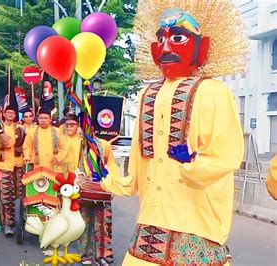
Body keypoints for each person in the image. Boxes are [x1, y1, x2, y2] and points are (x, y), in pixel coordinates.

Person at [101, 3, 248, 265]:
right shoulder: (148, 94)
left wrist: (191, 164)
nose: (167, 47)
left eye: (178, 38)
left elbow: (227, 155)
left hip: (196, 222)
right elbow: (137, 166)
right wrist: (108, 174)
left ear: (201, 47)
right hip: (150, 222)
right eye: (161, 39)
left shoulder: (213, 91)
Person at [61, 114, 118, 265]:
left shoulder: (104, 145)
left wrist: (112, 184)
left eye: (88, 127)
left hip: (101, 188)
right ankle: (85, 255)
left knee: (104, 224)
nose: (85, 130)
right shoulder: (75, 143)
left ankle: (104, 255)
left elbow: (111, 165)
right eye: (82, 127)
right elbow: (69, 164)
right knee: (83, 223)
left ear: (93, 128)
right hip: (83, 188)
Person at [0, 105, 21, 237]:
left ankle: (8, 224)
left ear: (0, 113)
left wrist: (1, 131)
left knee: (6, 197)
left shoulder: (7, 128)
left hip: (4, 167)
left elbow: (9, 144)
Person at [23, 108, 67, 172]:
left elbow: (64, 147)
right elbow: (27, 147)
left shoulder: (58, 131)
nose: (43, 120)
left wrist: (58, 157)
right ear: (38, 119)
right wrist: (27, 156)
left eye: (46, 118)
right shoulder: (31, 132)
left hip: (54, 166)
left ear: (50, 119)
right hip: (37, 166)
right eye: (41, 118)